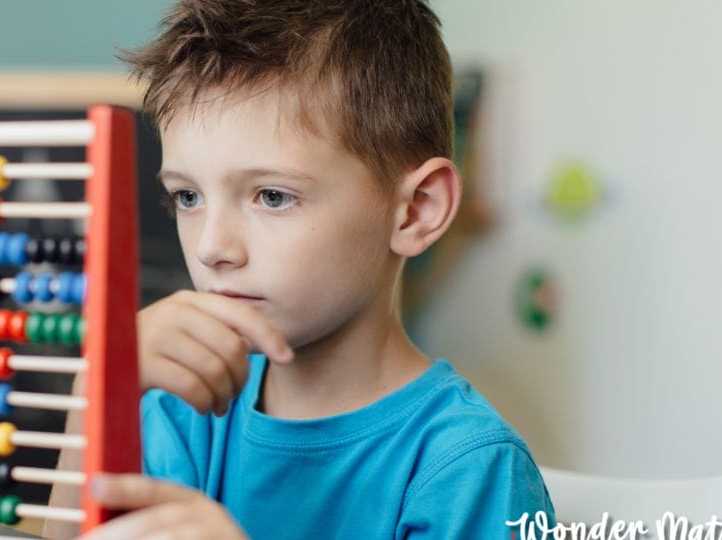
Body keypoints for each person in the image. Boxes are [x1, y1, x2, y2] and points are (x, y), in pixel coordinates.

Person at [47, 1, 553, 538]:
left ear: (415, 210)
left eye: (271, 196)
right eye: (188, 197)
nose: (212, 247)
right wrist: (99, 387)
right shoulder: (180, 412)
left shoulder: (468, 469)